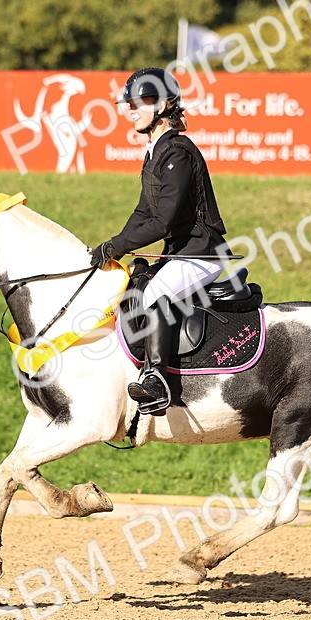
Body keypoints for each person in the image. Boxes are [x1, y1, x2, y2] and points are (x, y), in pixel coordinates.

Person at [88, 67, 229, 415]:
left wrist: (118, 245)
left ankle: (156, 382)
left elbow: (162, 220)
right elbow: (142, 211)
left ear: (164, 104)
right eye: (128, 103)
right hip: (179, 253)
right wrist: (112, 245)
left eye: (141, 102)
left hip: (201, 254)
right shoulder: (155, 151)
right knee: (133, 286)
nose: (130, 109)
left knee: (153, 295)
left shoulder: (177, 153)